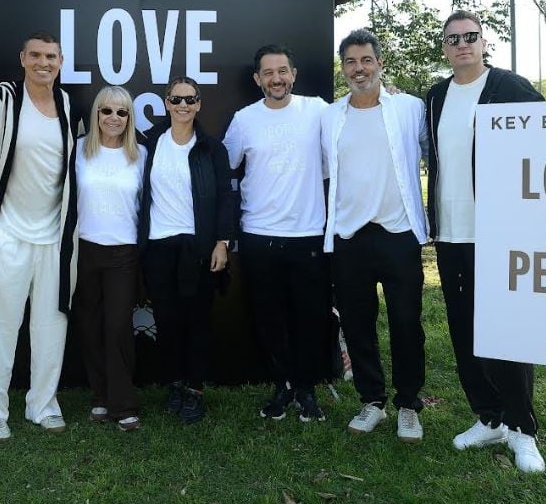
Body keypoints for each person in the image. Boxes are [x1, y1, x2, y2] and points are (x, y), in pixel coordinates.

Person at [426, 9, 546, 472]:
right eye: (453, 38)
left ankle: (523, 430)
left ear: (484, 42)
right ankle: (489, 417)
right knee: (465, 330)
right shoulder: (435, 96)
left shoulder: (509, 87)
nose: (462, 44)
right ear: (444, 47)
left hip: (500, 233)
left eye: (470, 36)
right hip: (449, 233)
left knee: (508, 332)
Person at [0, 31, 80, 441]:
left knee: (52, 326)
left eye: (50, 56)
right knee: (1, 326)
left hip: (53, 238)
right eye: (35, 55)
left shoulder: (68, 106)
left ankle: (42, 404)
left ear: (61, 60)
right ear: (22, 58)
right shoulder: (0, 100)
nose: (43, 63)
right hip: (8, 234)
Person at [322, 30, 429, 442]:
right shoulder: (330, 116)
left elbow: (431, 148)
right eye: (350, 62)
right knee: (358, 322)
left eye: (366, 60)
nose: (358, 69)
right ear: (343, 68)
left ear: (380, 63)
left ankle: (407, 405)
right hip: (349, 236)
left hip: (398, 233)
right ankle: (372, 401)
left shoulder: (409, 108)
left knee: (406, 322)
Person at [222, 45, 330, 422]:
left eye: (282, 71)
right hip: (258, 235)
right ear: (257, 80)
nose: (276, 79)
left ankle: (306, 388)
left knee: (309, 317)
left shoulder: (318, 110)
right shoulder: (244, 120)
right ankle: (282, 385)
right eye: (268, 73)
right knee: (269, 318)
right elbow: (226, 168)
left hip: (308, 234)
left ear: (294, 74)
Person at [138, 76, 233, 424]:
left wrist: (222, 241)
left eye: (189, 100)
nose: (182, 106)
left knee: (196, 321)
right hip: (158, 246)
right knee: (167, 320)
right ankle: (174, 385)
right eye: (176, 99)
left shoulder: (211, 148)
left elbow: (226, 196)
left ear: (199, 104)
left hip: (198, 245)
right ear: (166, 102)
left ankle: (195, 390)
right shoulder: (148, 143)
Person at [73, 86, 146, 432]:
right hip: (85, 248)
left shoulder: (141, 155)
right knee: (89, 325)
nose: (113, 118)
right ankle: (100, 397)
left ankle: (123, 403)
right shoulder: (78, 151)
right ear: (96, 114)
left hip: (123, 252)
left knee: (117, 327)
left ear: (129, 118)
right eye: (107, 111)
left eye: (122, 112)